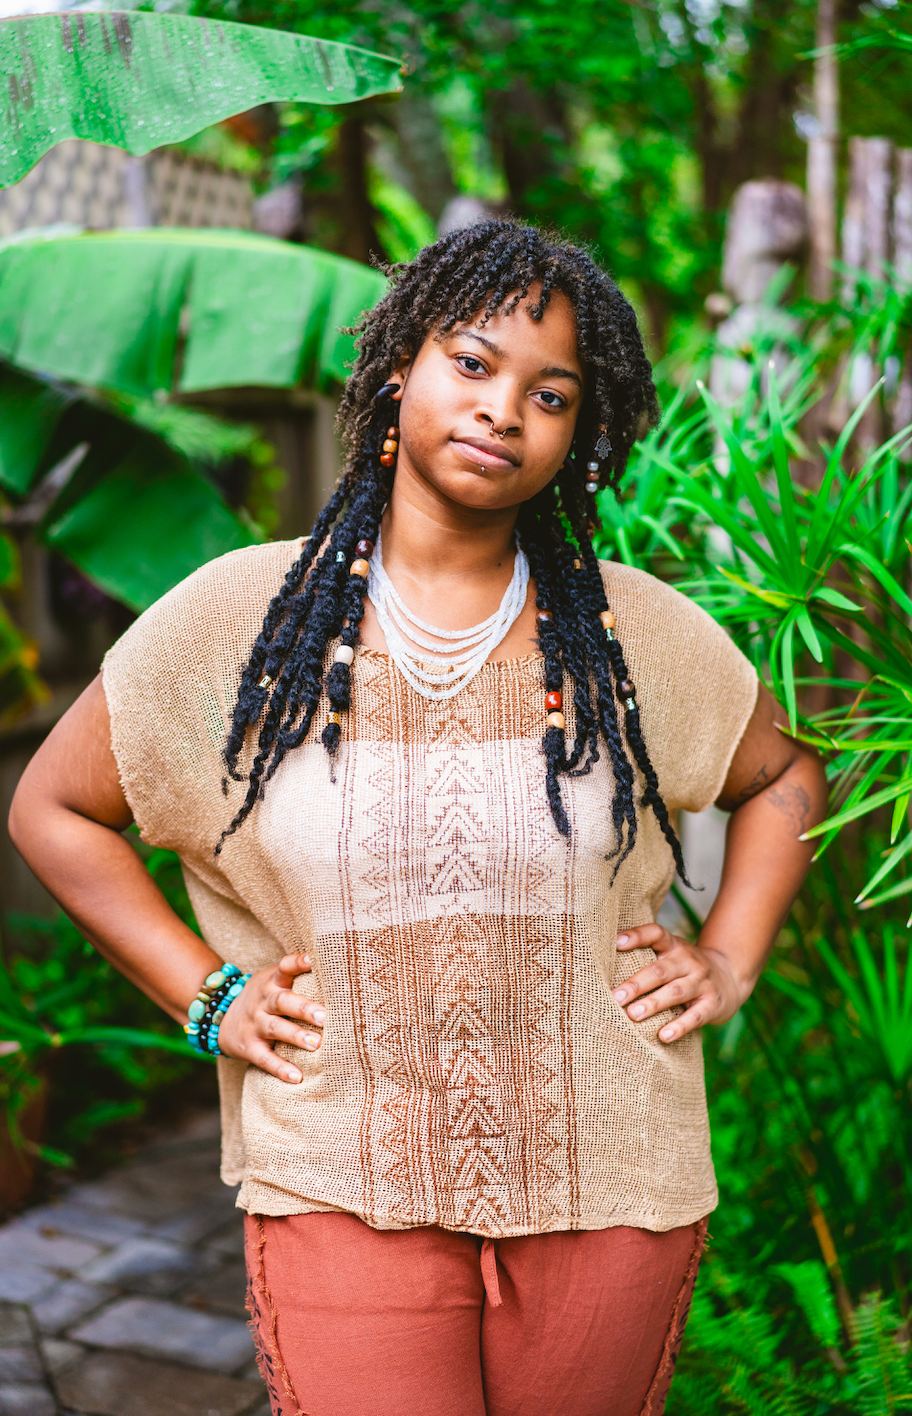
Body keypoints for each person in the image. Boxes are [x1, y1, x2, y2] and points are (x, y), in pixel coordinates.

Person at [9, 221, 826, 1416]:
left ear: (575, 434)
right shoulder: (240, 619)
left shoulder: (631, 632)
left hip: (611, 1176)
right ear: (403, 368)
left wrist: (729, 960)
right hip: (339, 1170)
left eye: (551, 394)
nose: (505, 410)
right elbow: (55, 808)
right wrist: (207, 994)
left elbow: (787, 779)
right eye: (475, 363)